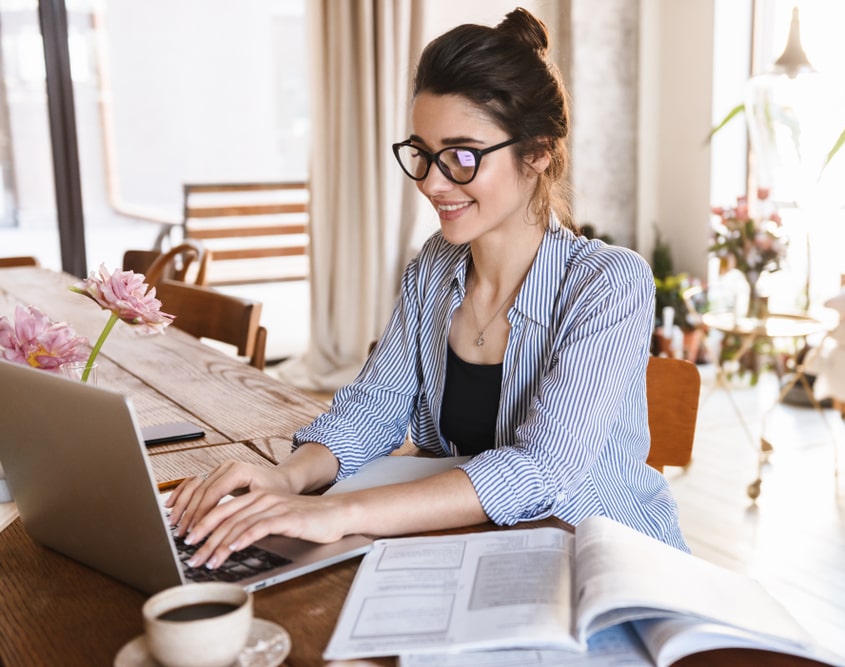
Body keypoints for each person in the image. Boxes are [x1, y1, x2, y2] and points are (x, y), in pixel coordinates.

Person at [167, 7, 688, 570]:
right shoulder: (434, 268)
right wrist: (284, 478)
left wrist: (338, 513)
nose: (432, 183)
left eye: (462, 156)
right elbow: (370, 410)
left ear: (537, 152)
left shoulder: (609, 282)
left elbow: (542, 469)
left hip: (596, 564)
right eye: (422, 153)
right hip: (469, 552)